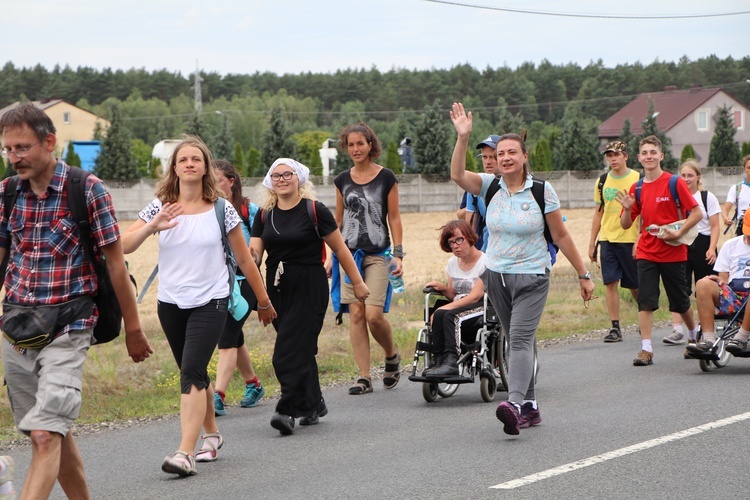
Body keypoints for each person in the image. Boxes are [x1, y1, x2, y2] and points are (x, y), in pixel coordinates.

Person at [0, 103, 153, 498]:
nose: (13, 157)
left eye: (21, 148)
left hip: (70, 325)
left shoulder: (86, 189)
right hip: (17, 329)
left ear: (49, 142)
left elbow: (117, 265)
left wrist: (134, 329)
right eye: (7, 149)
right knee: (51, 434)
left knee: (45, 433)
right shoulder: (6, 193)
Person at [122, 136, 276, 476]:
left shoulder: (222, 208)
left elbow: (245, 259)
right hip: (171, 303)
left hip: (212, 300)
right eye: (183, 159)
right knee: (194, 374)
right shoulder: (160, 204)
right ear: (174, 167)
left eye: (196, 159)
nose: (190, 164)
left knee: (191, 371)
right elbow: (124, 246)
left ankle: (184, 453)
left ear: (205, 167)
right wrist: (152, 226)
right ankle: (212, 435)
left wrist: (263, 301)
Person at [449, 102, 594, 435]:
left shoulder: (542, 191)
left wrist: (583, 274)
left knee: (518, 339)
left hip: (532, 275)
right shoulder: (490, 187)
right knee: (518, 340)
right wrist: (463, 137)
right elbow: (457, 175)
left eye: (512, 152)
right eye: (500, 154)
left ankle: (513, 403)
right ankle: (530, 407)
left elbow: (560, 234)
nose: (505, 158)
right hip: (496, 275)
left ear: (525, 156)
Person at [251, 158, 369, 435]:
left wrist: (358, 283)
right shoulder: (264, 215)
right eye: (276, 175)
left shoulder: (314, 210)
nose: (281, 180)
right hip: (278, 287)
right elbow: (254, 255)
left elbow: (340, 250)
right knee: (300, 348)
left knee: (285, 353)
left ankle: (286, 409)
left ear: (299, 178)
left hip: (310, 286)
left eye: (287, 174)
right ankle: (314, 403)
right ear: (270, 182)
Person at [616, 135, 702, 367]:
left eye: (653, 152)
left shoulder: (675, 182)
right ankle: (646, 349)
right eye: (644, 153)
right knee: (645, 300)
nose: (649, 156)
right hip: (647, 251)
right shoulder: (638, 187)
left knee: (680, 301)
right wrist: (626, 209)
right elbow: (626, 224)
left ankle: (694, 337)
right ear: (639, 158)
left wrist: (678, 232)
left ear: (661, 156)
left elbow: (696, 213)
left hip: (674, 252)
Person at [334, 122, 403, 395]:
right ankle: (363, 376)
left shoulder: (386, 177)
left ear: (371, 145)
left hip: (377, 255)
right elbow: (337, 221)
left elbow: (394, 217)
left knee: (374, 315)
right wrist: (332, 257)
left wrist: (398, 253)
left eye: (360, 143)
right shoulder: (342, 180)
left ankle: (391, 355)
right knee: (356, 315)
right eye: (350, 144)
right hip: (349, 256)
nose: (355, 149)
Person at [211, 159, 265, 416]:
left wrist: (248, 255)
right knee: (235, 335)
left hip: (245, 283)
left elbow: (257, 252)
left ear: (231, 181)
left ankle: (217, 396)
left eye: (217, 179)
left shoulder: (249, 210)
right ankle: (253, 384)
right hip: (218, 284)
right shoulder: (206, 209)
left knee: (227, 337)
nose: (211, 184)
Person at [587, 141, 640, 343]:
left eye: (616, 155)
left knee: (635, 286)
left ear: (625, 156)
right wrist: (592, 242)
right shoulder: (602, 181)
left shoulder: (637, 178)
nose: (613, 159)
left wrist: (641, 237)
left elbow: (643, 211)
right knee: (610, 283)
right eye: (609, 155)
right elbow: (598, 213)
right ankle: (615, 327)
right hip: (607, 240)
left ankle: (645, 314)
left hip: (630, 239)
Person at [666, 160, 721, 346]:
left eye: (690, 175)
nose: (687, 179)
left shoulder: (707, 197)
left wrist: (712, 248)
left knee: (703, 289)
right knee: (679, 287)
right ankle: (677, 329)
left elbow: (714, 226)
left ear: (698, 177)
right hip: (682, 243)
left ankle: (704, 328)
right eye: (683, 175)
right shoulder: (675, 197)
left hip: (704, 244)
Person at [422, 220, 486, 377]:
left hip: (479, 306)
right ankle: (438, 361)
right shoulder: (452, 263)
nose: (455, 246)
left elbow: (475, 296)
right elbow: (454, 296)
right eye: (451, 243)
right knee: (440, 312)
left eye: (459, 240)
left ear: (469, 238)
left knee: (448, 314)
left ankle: (451, 361)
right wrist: (444, 288)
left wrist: (445, 309)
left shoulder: (486, 262)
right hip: (459, 305)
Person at [689, 216, 750, 353]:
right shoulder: (731, 245)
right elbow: (724, 279)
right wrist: (720, 281)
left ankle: (741, 338)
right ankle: (708, 340)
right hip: (734, 295)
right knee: (703, 283)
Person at [462, 134, 500, 251]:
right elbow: (470, 227)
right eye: (484, 157)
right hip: (487, 251)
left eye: (492, 157)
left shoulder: (519, 185)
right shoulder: (474, 189)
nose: (488, 162)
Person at [721, 155, 750, 236]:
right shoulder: (736, 189)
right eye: (749, 167)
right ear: (744, 169)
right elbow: (725, 210)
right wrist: (725, 218)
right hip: (743, 229)